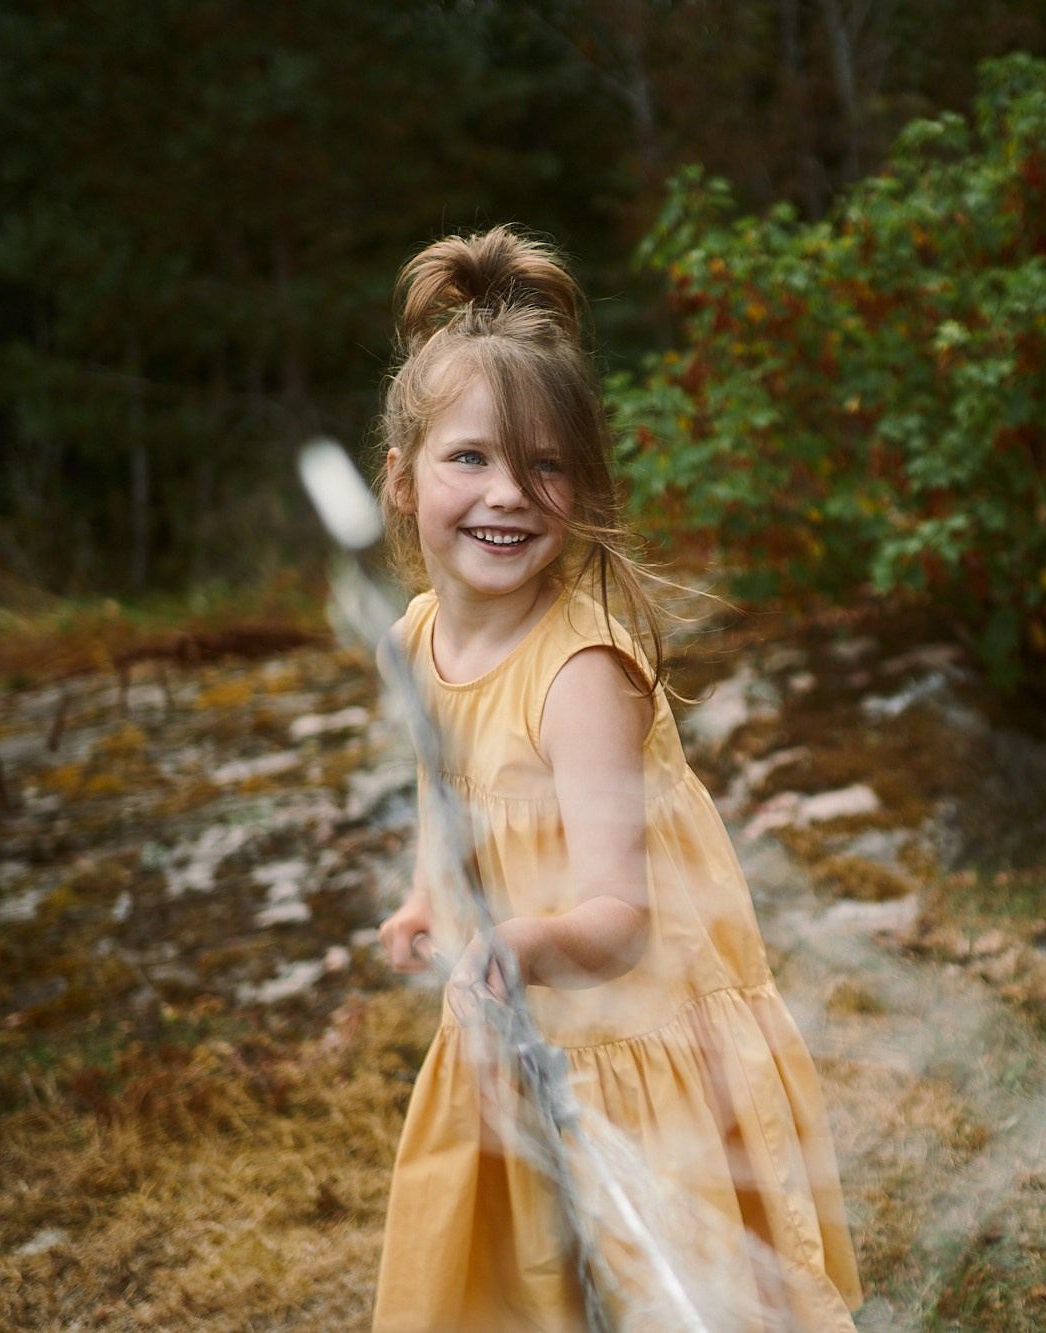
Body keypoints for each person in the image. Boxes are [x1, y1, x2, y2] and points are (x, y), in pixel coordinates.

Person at [366, 225, 862, 1331]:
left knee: (667, 1290)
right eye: (470, 458)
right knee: (530, 1283)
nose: (509, 493)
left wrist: (521, 944)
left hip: (633, 1037)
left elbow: (622, 920)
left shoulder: (582, 670)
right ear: (401, 481)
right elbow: (440, 787)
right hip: (523, 1016)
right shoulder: (411, 637)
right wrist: (426, 894)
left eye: (546, 464)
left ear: (582, 486)